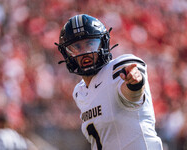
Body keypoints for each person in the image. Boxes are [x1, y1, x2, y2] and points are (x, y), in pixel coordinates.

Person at [55, 14, 163, 150]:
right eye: (77, 47)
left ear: (103, 44)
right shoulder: (79, 92)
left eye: (90, 44)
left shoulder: (117, 69)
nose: (85, 53)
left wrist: (134, 83)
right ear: (67, 54)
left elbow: (132, 95)